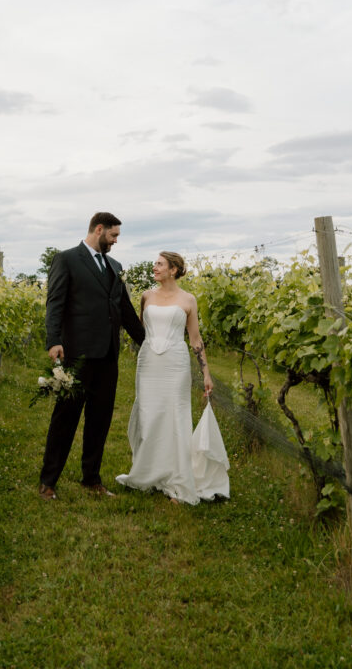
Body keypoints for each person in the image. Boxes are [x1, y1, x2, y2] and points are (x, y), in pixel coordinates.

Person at [39, 212, 145, 499]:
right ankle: (48, 481)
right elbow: (55, 302)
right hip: (77, 355)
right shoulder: (67, 259)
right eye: (113, 236)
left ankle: (91, 478)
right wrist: (54, 340)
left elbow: (124, 310)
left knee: (100, 420)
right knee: (65, 418)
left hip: (108, 356)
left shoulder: (115, 265)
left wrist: (149, 342)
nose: (115, 242)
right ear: (99, 229)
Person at [116, 251, 229, 505]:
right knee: (149, 414)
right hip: (149, 363)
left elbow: (196, 339)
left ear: (174, 270)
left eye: (159, 264)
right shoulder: (146, 296)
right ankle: (149, 471)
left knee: (176, 417)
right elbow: (144, 331)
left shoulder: (188, 300)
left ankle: (178, 480)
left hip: (175, 364)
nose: (154, 267)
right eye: (154, 263)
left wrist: (206, 373)